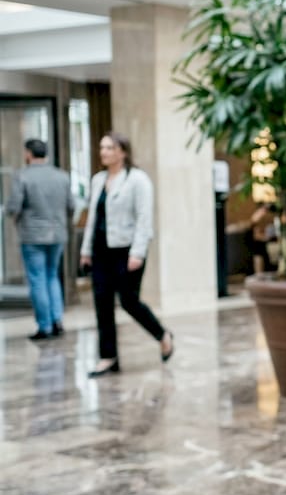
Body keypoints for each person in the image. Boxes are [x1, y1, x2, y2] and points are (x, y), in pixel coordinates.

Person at [79, 133, 174, 377]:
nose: (104, 152)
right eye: (102, 147)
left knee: (129, 301)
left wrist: (138, 252)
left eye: (110, 148)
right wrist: (86, 251)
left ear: (123, 152)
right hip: (101, 251)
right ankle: (108, 357)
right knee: (102, 302)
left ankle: (162, 335)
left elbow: (144, 219)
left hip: (127, 251)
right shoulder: (98, 180)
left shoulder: (137, 180)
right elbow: (93, 219)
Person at [5, 138, 75, 340]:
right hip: (58, 234)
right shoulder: (62, 176)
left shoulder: (22, 177)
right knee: (52, 276)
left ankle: (44, 326)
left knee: (37, 279)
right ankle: (57, 320)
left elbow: (13, 207)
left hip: (33, 236)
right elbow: (71, 206)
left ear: (28, 154)